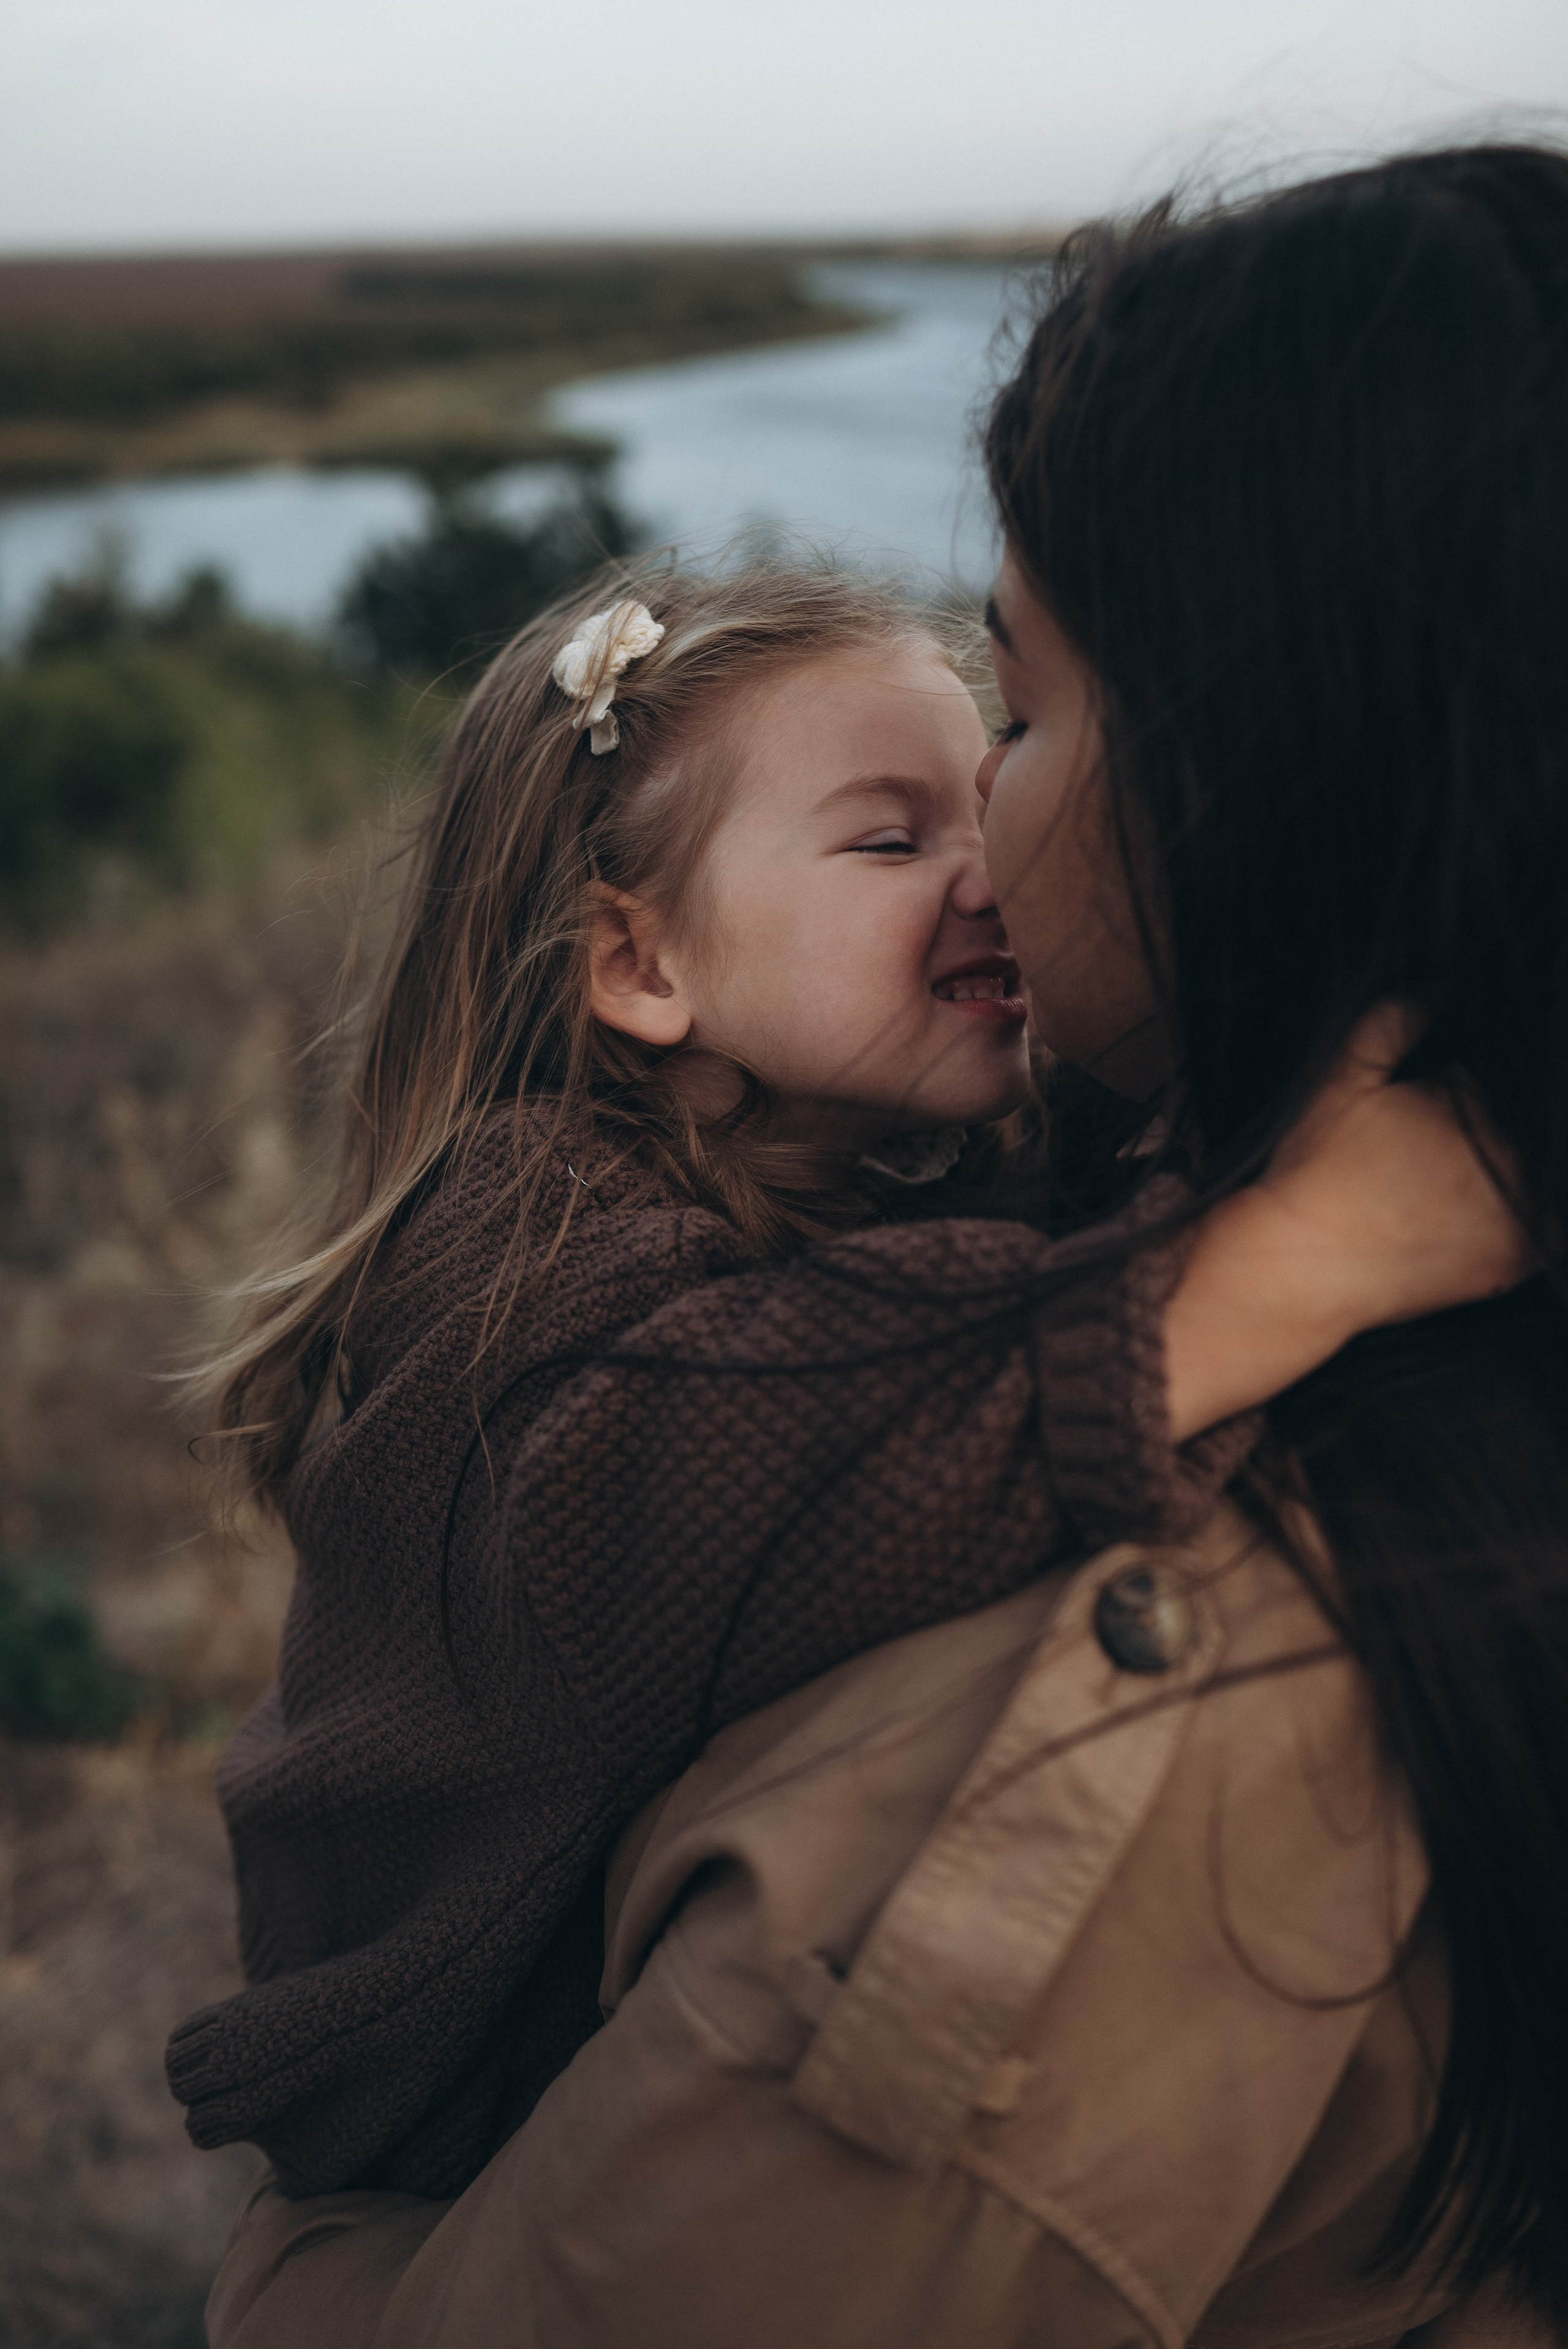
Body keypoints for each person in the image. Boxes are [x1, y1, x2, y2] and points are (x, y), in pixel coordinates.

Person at [205, 138, 1568, 2343]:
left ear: (1252, 786)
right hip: (437, 2087)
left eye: (1017, 726)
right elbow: (730, 1449)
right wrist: (1293, 1258)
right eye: (888, 829)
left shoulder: (1165, 1665)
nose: (983, 860)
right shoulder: (529, 1260)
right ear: (637, 964)